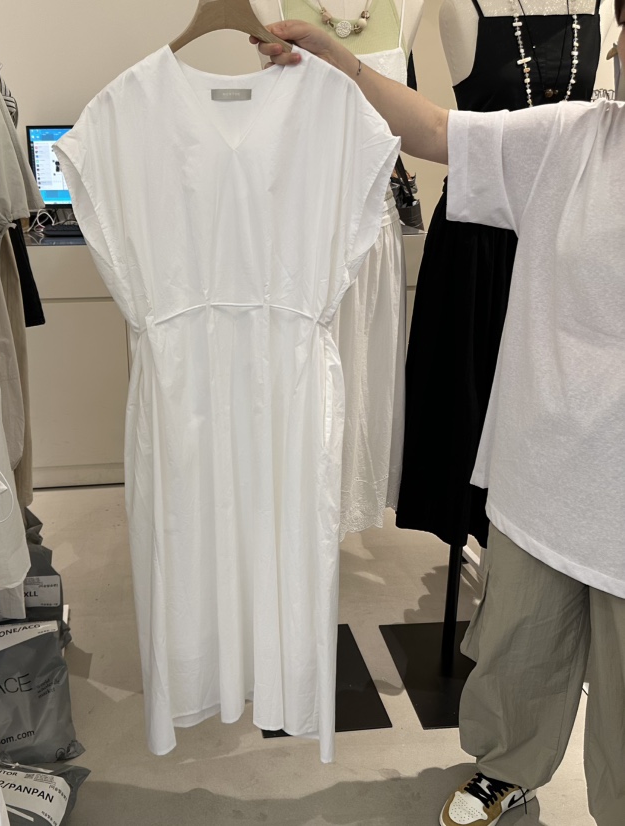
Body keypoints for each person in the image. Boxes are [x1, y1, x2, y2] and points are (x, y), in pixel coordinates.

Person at [254, 8, 625, 826]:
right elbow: (431, 129)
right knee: (520, 641)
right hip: (541, 464)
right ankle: (507, 766)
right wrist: (343, 65)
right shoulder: (573, 138)